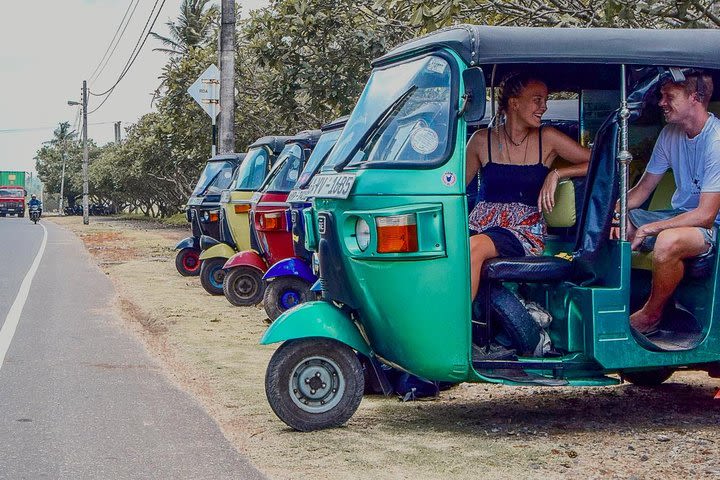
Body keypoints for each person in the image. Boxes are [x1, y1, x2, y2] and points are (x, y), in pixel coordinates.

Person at [612, 70, 720, 334]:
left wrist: (650, 228)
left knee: (667, 240)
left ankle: (652, 315)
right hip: (679, 215)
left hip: (710, 226)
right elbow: (643, 189)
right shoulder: (669, 134)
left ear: (694, 98)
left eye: (669, 96)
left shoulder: (716, 141)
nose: (661, 102)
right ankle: (617, 307)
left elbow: (706, 215)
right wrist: (613, 211)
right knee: (613, 227)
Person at [467, 72, 591, 301]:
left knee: (474, 247)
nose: (544, 107)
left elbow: (598, 160)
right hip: (479, 224)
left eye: (545, 100)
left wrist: (558, 173)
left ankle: (454, 332)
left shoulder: (549, 137)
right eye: (537, 100)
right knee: (448, 249)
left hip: (522, 230)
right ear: (514, 103)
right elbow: (454, 188)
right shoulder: (480, 140)